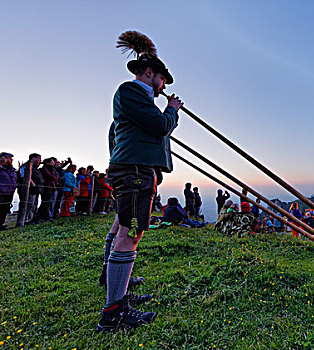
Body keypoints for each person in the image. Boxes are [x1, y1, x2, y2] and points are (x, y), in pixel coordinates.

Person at [96, 30, 183, 333]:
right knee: (131, 233)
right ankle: (113, 312)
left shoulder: (137, 98)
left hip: (134, 170)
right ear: (150, 73)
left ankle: (115, 287)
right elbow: (159, 126)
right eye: (162, 80)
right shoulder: (132, 92)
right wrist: (171, 111)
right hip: (134, 172)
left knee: (123, 228)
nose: (163, 87)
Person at [0, 152, 17, 230]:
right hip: (1, 192)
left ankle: (1, 224)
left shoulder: (11, 169)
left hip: (10, 192)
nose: (11, 160)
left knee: (5, 209)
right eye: (10, 158)